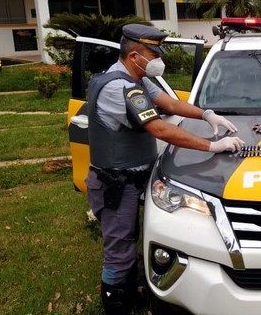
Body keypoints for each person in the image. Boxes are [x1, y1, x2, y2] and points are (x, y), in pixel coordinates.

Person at [86, 24, 244, 314]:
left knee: (133, 236)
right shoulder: (118, 88)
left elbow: (168, 103)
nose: (159, 59)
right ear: (134, 55)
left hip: (134, 177)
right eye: (153, 54)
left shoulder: (135, 77)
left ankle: (134, 291)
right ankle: (117, 303)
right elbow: (159, 128)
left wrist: (207, 114)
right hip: (117, 183)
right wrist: (212, 146)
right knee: (119, 248)